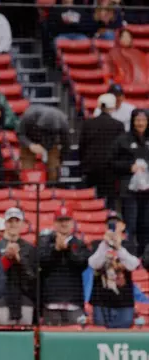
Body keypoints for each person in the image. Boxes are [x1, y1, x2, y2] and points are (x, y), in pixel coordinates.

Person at [38, 206, 90, 325]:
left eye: (67, 220)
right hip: (50, 303)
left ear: (72, 223)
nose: (64, 224)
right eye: (60, 221)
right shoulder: (44, 242)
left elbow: (82, 264)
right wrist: (55, 250)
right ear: (55, 223)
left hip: (73, 303)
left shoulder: (79, 244)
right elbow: (41, 263)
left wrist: (67, 250)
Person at [88, 211, 140, 328]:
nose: (113, 225)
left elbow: (133, 265)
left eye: (116, 222)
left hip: (124, 301)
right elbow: (94, 264)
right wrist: (105, 245)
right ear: (105, 226)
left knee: (123, 337)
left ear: (123, 226)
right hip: (101, 301)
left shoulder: (129, 245)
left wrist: (119, 247)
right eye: (110, 223)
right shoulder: (97, 244)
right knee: (100, 338)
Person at [0, 208, 37, 325]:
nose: (13, 224)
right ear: (5, 223)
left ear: (22, 224)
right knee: (4, 336)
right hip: (2, 298)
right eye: (10, 221)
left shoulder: (29, 247)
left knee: (25, 336)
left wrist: (19, 259)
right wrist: (6, 258)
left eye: (16, 221)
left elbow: (32, 276)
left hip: (24, 299)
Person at [110, 109, 149, 253]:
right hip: (129, 191)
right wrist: (129, 167)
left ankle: (145, 258)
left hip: (147, 191)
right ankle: (129, 256)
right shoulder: (122, 140)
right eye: (138, 120)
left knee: (146, 225)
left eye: (143, 120)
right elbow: (112, 162)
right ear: (133, 121)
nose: (140, 123)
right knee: (130, 225)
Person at [80, 93, 126, 209]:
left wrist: (84, 165)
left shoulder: (88, 124)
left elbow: (82, 147)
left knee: (90, 201)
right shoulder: (118, 125)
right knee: (110, 203)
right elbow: (121, 150)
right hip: (110, 170)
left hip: (91, 168)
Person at [17, 105, 70, 183]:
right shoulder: (28, 115)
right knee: (27, 170)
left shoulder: (63, 122)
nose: (46, 132)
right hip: (30, 139)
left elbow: (66, 145)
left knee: (54, 168)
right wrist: (30, 145)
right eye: (45, 130)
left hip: (51, 143)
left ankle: (52, 188)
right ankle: (27, 187)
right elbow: (20, 134)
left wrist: (60, 160)